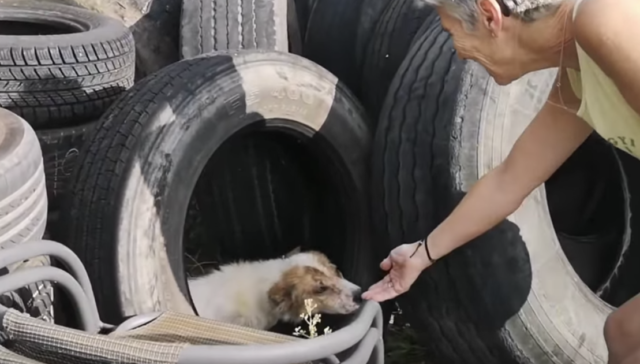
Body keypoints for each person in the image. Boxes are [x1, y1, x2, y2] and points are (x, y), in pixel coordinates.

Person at [361, 0, 640, 363]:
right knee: (626, 337)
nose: (458, 54)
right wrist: (422, 253)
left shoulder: (601, 19)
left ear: (490, 15)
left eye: (452, 33)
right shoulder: (578, 73)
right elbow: (509, 180)